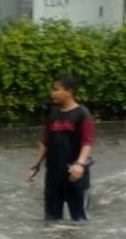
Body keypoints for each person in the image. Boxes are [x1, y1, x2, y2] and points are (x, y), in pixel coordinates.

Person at [26, 74, 95, 222]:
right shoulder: (53, 115)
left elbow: (87, 142)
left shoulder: (82, 114)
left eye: (56, 89)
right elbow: (45, 142)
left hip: (75, 175)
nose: (53, 93)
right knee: (51, 221)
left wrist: (80, 164)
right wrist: (35, 166)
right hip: (53, 176)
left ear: (69, 91)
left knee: (79, 221)